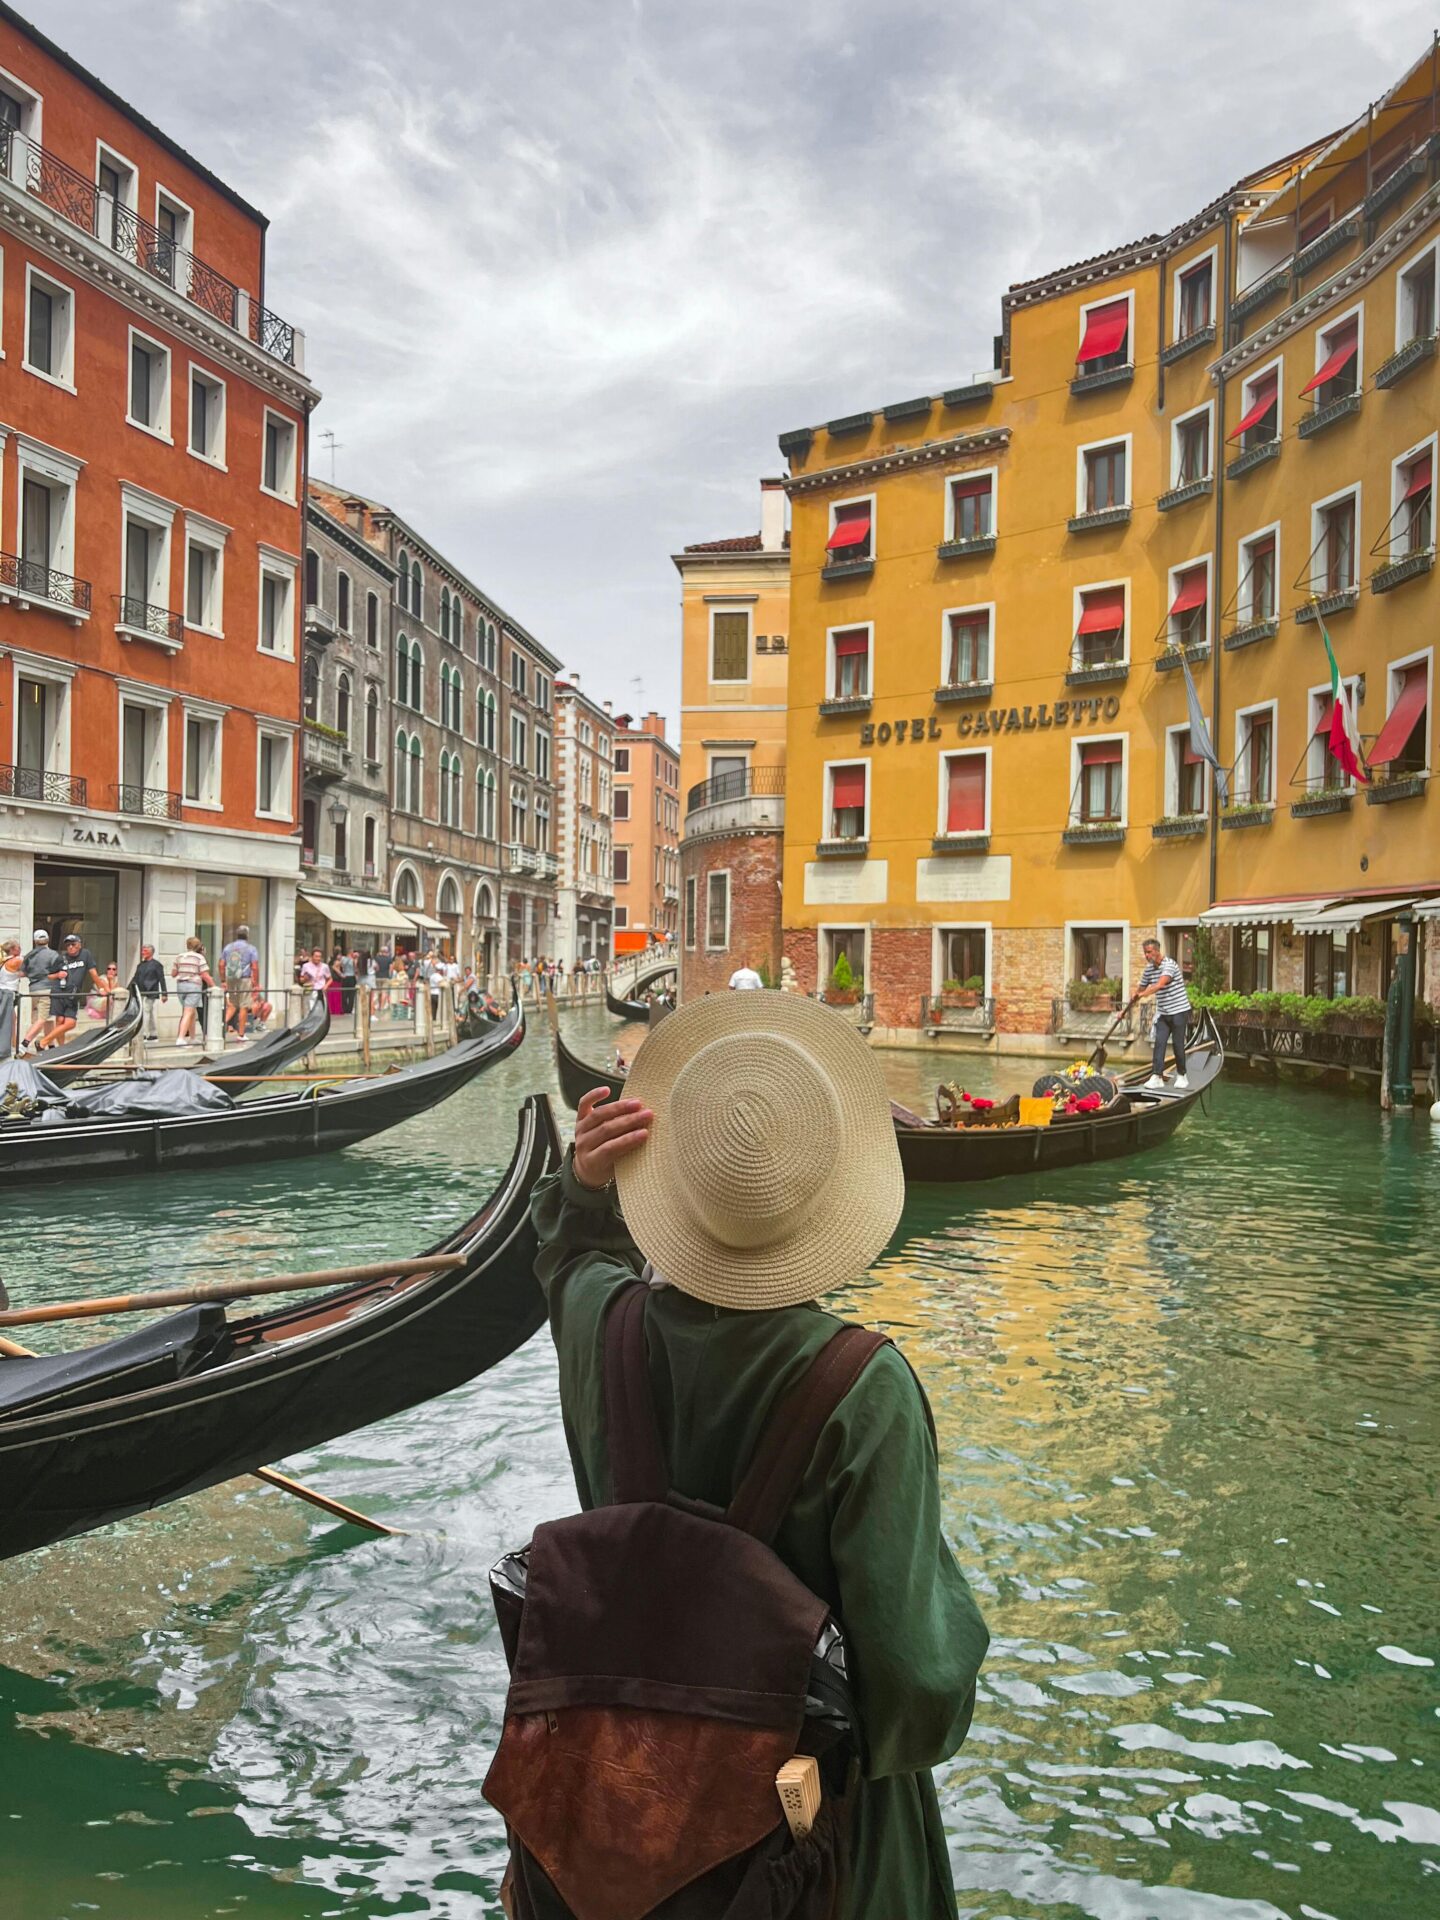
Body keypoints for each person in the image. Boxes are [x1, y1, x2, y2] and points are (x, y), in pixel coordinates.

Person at [526, 993, 989, 1918]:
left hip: (623, 1809)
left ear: (666, 1173)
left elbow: (567, 1254)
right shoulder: (865, 1387)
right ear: (831, 1192)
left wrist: (583, 1184)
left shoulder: (600, 1328)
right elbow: (919, 1684)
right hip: (814, 1842)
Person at [1133, 936, 1193, 1089]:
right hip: (1164, 1013)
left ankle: (1182, 1075)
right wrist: (1126, 1008)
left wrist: (1144, 994)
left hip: (1179, 1011)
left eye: (1149, 952)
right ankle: (1156, 1076)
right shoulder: (1149, 969)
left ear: (1157, 951)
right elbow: (1139, 989)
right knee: (1159, 1043)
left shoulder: (1169, 965)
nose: (1147, 956)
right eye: (1145, 953)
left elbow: (1159, 985)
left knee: (1178, 1044)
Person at [38, 932, 104, 1050]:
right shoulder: (60, 958)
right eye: (68, 945)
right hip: (59, 992)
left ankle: (43, 1041)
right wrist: (58, 974)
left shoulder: (85, 954)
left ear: (79, 945)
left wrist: (103, 988)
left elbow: (93, 973)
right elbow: (49, 976)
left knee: (70, 1023)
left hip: (73, 994)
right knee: (60, 1020)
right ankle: (61, 1049)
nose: (70, 947)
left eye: (73, 944)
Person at [19, 930, 61, 1053]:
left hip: (33, 990)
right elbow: (59, 971)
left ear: (35, 941)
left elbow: (22, 973)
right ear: (48, 940)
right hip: (47, 989)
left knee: (47, 1019)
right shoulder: (53, 954)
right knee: (42, 1019)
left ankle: (50, 1046)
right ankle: (24, 1044)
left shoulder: (28, 955)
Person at [219, 925, 260, 1041]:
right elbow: (255, 967)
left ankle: (220, 1025)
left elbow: (221, 964)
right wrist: (256, 983)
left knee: (232, 1004)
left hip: (231, 978)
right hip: (244, 978)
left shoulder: (228, 947)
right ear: (247, 935)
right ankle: (241, 1034)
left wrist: (223, 980)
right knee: (244, 1006)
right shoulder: (251, 948)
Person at [172, 937, 214, 1044]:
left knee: (189, 1012)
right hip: (193, 985)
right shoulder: (199, 957)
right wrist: (213, 986)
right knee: (188, 1012)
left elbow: (173, 973)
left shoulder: (179, 956)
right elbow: (205, 974)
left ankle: (192, 1037)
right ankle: (181, 1038)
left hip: (180, 986)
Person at [128, 945, 168, 1039]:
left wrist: (164, 993)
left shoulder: (157, 965)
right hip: (141, 991)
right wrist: (128, 989)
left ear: (150, 952)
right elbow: (135, 977)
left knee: (146, 1010)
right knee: (148, 1012)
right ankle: (153, 1034)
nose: (142, 952)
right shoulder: (140, 965)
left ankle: (144, 1034)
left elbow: (161, 979)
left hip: (151, 991)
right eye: (142, 950)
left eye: (145, 951)